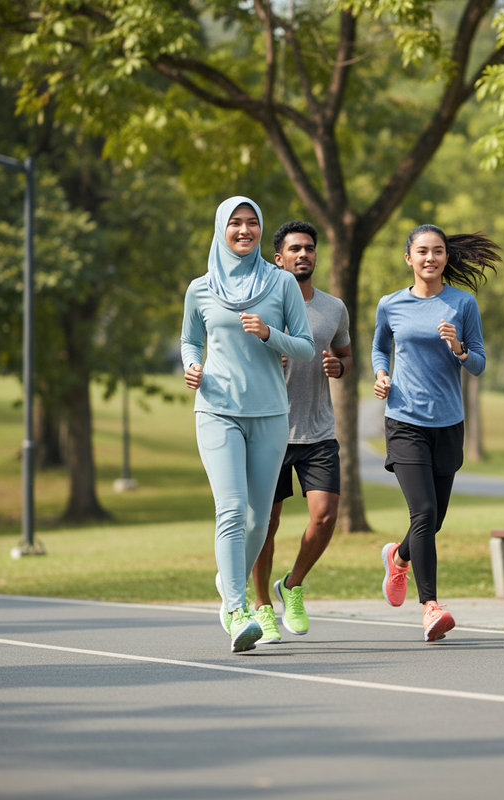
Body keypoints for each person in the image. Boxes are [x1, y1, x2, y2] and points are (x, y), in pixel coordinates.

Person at [181, 197, 315, 653]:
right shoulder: (200, 288)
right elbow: (188, 340)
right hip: (217, 410)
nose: (244, 230)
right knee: (232, 510)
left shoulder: (280, 284)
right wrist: (192, 365)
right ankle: (237, 611)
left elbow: (305, 348)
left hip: (271, 414)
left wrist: (268, 334)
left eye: (252, 222)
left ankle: (228, 578)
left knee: (260, 521)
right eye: (235, 223)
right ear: (221, 229)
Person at [371, 226, 500, 642]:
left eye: (438, 251)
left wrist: (459, 347)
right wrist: (381, 374)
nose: (430, 258)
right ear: (408, 257)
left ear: (446, 257)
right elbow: (378, 347)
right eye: (422, 251)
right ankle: (430, 607)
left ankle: (399, 556)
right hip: (405, 419)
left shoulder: (463, 303)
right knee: (423, 512)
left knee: (435, 518)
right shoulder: (391, 304)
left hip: (448, 422)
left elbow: (478, 364)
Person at [250, 221, 352, 642]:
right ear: (279, 258)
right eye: (295, 249)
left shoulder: (333, 308)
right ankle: (261, 606)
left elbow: (345, 354)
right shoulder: (263, 306)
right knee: (265, 524)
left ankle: (291, 585)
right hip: (270, 428)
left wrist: (339, 367)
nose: (304, 254)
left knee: (325, 516)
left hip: (318, 430)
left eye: (310, 248)